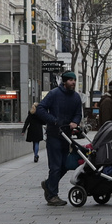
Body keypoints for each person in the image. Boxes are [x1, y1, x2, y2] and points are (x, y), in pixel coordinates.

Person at [36, 70, 83, 206]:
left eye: (74, 80)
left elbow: (78, 113)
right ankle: (52, 195)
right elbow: (40, 109)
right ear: (64, 82)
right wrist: (53, 120)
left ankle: (49, 184)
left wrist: (75, 122)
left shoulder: (76, 97)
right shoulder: (54, 94)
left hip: (66, 135)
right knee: (55, 166)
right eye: (70, 80)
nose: (73, 82)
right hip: (54, 135)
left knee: (65, 165)